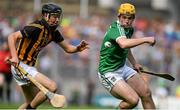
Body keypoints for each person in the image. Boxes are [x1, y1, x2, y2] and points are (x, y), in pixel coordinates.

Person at [7, 3, 89, 109]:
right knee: (52, 86)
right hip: (21, 66)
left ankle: (29, 108)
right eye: (54, 16)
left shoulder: (53, 32)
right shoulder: (35, 27)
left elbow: (68, 48)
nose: (56, 19)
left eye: (58, 17)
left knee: (30, 101)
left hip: (29, 67)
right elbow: (12, 36)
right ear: (46, 15)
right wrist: (14, 57)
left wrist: (77, 48)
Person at [98, 3, 156, 109]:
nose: (127, 20)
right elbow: (124, 43)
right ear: (119, 16)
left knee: (146, 93)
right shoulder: (115, 29)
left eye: (130, 18)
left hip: (122, 67)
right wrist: (145, 39)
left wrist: (134, 63)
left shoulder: (129, 29)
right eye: (124, 17)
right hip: (108, 72)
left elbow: (126, 48)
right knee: (133, 100)